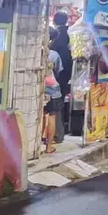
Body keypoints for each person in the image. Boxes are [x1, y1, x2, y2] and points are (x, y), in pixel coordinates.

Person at [51, 11, 73, 141]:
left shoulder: (56, 37)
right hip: (67, 72)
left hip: (57, 75)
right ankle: (61, 130)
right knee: (62, 100)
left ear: (54, 21)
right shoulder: (70, 33)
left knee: (56, 105)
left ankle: (58, 133)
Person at [44, 30, 64, 155]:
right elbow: (58, 71)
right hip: (52, 89)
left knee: (40, 117)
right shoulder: (53, 54)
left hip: (39, 88)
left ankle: (37, 144)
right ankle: (49, 146)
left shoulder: (36, 53)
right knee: (52, 117)